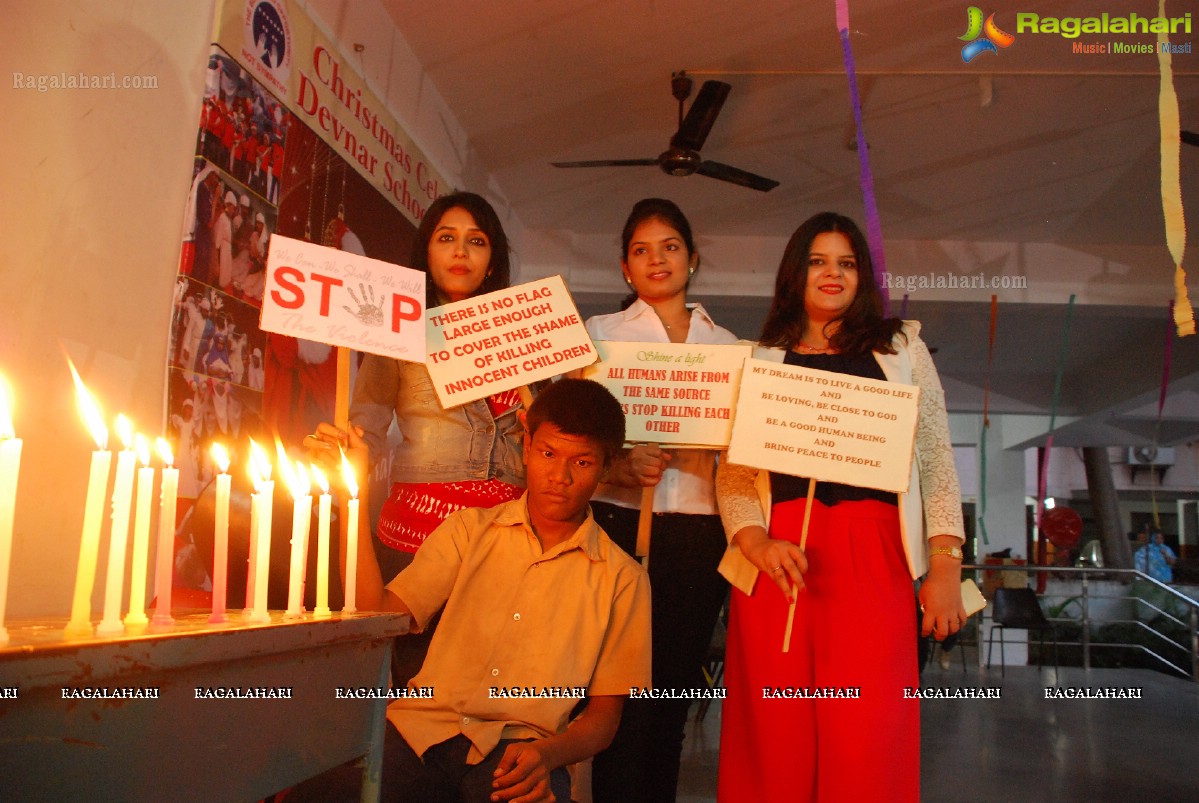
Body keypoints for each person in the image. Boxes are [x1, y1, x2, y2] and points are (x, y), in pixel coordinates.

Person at [288, 378, 652, 803]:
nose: (560, 476)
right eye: (548, 453)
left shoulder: (622, 578)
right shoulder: (469, 530)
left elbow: (603, 721)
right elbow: (379, 614)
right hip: (417, 735)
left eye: (583, 463)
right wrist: (353, 496)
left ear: (607, 466)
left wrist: (546, 755)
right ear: (526, 441)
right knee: (319, 791)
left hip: (516, 753)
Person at [715, 212, 966, 803]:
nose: (832, 274)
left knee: (868, 732)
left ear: (863, 277)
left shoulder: (901, 346)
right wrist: (754, 541)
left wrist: (947, 564)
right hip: (777, 557)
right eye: (818, 261)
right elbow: (733, 476)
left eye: (846, 263)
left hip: (874, 553)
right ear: (794, 273)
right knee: (774, 735)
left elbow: (935, 455)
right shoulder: (759, 358)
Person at [312, 191, 530, 680]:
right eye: (446, 238)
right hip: (415, 539)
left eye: (476, 241)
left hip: (505, 542)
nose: (460, 252)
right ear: (426, 254)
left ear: (492, 261)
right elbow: (365, 430)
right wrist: (345, 455)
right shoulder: (400, 332)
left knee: (486, 687)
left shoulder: (524, 333)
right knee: (413, 685)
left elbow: (544, 438)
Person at [584, 198, 736, 803]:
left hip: (699, 533)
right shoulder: (598, 336)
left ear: (692, 259)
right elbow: (575, 436)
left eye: (670, 246)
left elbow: (743, 453)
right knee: (609, 695)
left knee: (672, 697)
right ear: (626, 267)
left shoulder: (728, 347)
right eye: (642, 250)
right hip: (615, 524)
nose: (657, 260)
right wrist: (619, 465)